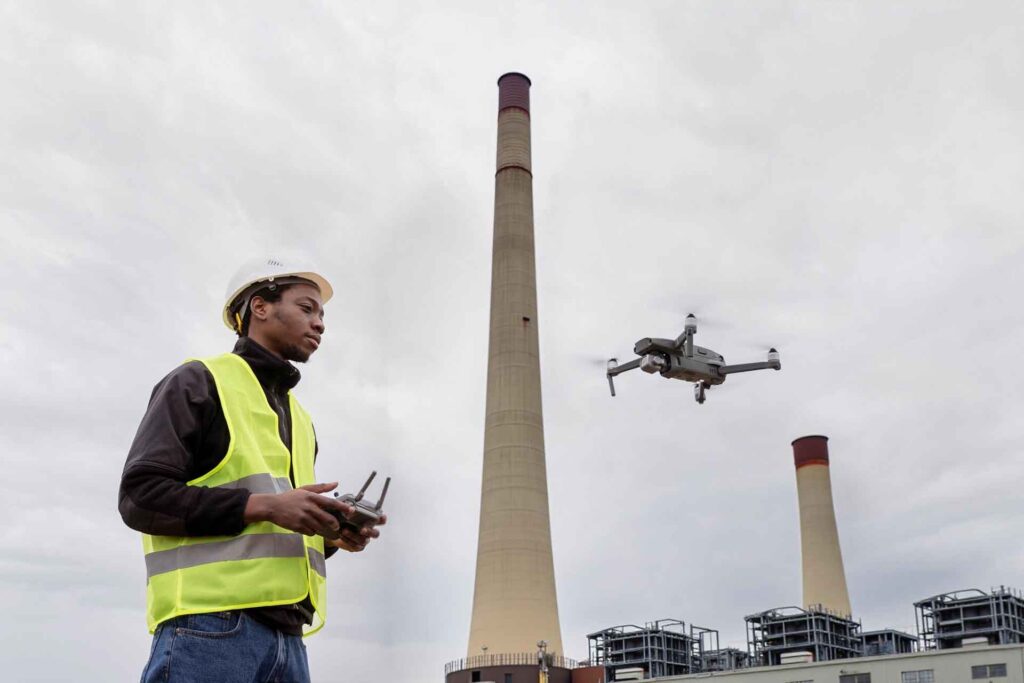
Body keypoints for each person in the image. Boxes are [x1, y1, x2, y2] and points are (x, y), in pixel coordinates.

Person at [119, 256, 385, 682]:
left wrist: (330, 533)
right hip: (208, 630)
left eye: (322, 315)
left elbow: (276, 527)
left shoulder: (300, 419)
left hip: (289, 642)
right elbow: (140, 497)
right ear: (259, 307)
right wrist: (266, 506)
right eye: (307, 308)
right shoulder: (197, 382)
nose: (320, 324)